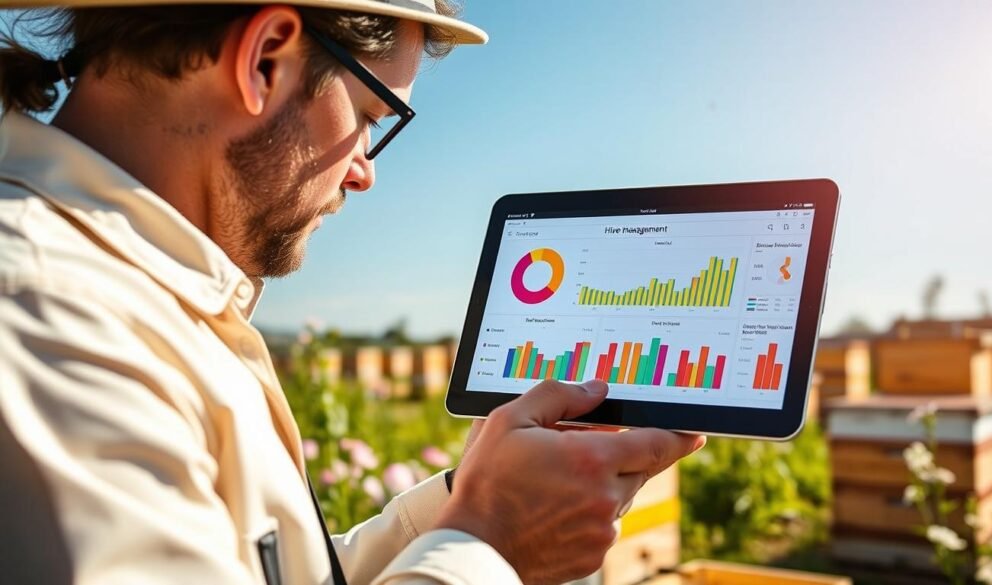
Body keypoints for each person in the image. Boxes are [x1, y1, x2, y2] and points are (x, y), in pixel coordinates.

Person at [0, 2, 707, 584]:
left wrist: (473, 503)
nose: (364, 171)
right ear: (265, 58)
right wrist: (493, 542)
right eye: (371, 116)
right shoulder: (45, 312)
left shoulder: (145, 292)